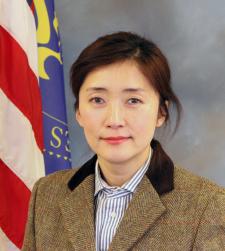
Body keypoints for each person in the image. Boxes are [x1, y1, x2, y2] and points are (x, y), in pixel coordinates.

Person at [22, 32, 225, 251]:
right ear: (79, 112)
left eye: (133, 100)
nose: (114, 120)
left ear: (161, 112)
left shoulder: (207, 206)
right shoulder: (47, 194)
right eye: (97, 100)